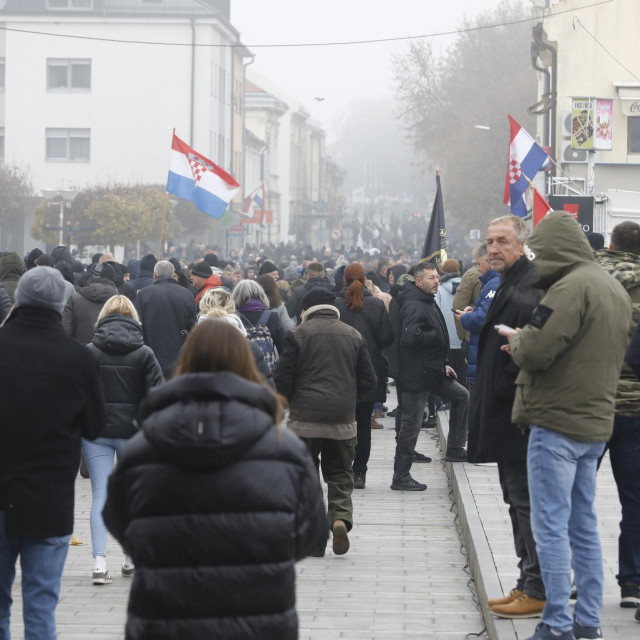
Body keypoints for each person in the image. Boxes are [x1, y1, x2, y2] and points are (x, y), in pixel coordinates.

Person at [103, 320, 327, 640]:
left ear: (186, 362)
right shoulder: (285, 450)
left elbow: (118, 518)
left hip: (166, 616)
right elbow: (313, 532)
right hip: (259, 617)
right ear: (247, 363)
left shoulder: (144, 448)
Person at [503, 211, 631, 640]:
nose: (537, 260)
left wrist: (517, 340)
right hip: (595, 421)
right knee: (583, 525)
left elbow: (537, 351)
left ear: (555, 248)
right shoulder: (610, 286)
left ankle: (557, 623)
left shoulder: (569, 287)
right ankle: (588, 621)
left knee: (551, 526)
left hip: (556, 421)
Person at [0, 267, 105, 639]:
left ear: (19, 300)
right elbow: (95, 426)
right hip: (49, 500)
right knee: (41, 605)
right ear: (60, 302)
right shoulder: (78, 360)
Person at [468, 215, 545, 619]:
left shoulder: (528, 285)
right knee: (515, 501)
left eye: (502, 241)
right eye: (489, 241)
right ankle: (526, 581)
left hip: (518, 412)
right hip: (506, 408)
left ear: (521, 243)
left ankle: (538, 585)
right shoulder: (511, 281)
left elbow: (534, 348)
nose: (493, 248)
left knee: (525, 501)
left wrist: (507, 377)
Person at [274, 287, 376, 555]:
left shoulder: (296, 334)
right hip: (342, 419)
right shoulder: (354, 335)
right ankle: (340, 519)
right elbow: (369, 381)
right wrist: (349, 398)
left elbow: (282, 376)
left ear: (306, 310)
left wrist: (289, 402)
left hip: (303, 420)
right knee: (341, 474)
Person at [84, 295, 163, 585]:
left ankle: (99, 562)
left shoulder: (89, 352)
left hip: (96, 433)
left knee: (100, 497)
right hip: (133, 434)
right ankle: (129, 557)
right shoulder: (144, 353)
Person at [391, 263, 470, 492]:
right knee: (411, 425)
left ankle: (455, 447)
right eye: (431, 278)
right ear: (418, 282)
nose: (436, 281)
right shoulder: (415, 304)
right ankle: (401, 476)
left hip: (432, 370)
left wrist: (444, 363)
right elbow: (411, 338)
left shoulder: (426, 300)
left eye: (437, 277)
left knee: (461, 395)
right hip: (417, 375)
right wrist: (435, 336)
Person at [594, 221, 640, 609]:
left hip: (588, 404)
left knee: (573, 496)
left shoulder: (587, 277)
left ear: (610, 243)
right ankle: (632, 583)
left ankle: (574, 576)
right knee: (635, 500)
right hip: (635, 408)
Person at [335, 264, 394, 489]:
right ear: (365, 280)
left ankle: (342, 470)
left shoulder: (336, 304)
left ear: (344, 280)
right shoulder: (377, 304)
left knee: (342, 423)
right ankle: (360, 473)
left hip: (341, 370)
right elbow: (387, 337)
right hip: (370, 370)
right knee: (363, 424)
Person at [134, 260, 197, 379]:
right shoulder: (186, 294)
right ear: (173, 275)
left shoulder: (144, 294)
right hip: (178, 358)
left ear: (155, 275)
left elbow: (137, 325)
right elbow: (193, 327)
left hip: (151, 356)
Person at [456, 242, 500, 387]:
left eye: (478, 263)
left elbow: (482, 319)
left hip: (484, 353)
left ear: (488, 261)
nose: (477, 267)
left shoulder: (493, 284)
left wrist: (465, 317)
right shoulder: (490, 282)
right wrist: (473, 311)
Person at [62, 262, 118, 345]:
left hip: (81, 352)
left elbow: (66, 331)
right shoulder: (119, 302)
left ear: (93, 277)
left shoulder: (74, 299)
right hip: (108, 353)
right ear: (112, 279)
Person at [232, 279, 286, 357]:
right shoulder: (272, 317)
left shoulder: (233, 318)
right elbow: (283, 347)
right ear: (261, 295)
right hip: (266, 367)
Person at [435, 258, 465, 385]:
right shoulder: (467, 287)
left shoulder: (439, 290)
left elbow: (436, 314)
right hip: (464, 339)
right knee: (463, 374)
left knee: (449, 377)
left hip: (446, 340)